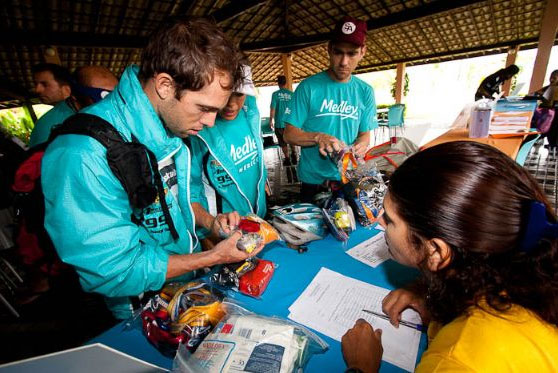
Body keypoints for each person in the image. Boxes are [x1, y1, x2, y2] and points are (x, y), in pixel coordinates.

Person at [41, 18, 262, 319]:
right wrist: (209, 257)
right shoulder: (82, 154)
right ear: (165, 86)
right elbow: (114, 269)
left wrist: (211, 223)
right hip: (137, 310)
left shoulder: (173, 125)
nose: (211, 122)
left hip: (183, 288)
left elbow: (181, 199)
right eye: (204, 108)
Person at [341, 141, 558, 372]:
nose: (380, 221)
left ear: (436, 251)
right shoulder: (529, 266)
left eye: (391, 220)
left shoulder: (455, 361)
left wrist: (361, 367)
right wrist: (427, 290)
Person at [284, 16, 377, 203]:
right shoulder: (308, 87)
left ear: (363, 52)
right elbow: (289, 134)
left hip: (348, 176)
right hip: (314, 180)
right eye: (338, 52)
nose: (344, 62)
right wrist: (318, 137)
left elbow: (365, 134)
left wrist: (361, 144)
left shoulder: (365, 91)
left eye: (352, 54)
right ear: (329, 49)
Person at [189, 63, 267, 244]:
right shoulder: (199, 129)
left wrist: (264, 184)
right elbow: (189, 194)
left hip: (259, 218)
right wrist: (210, 228)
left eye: (239, 94)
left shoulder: (251, 112)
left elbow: (257, 156)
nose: (231, 104)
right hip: (227, 231)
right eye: (225, 94)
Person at [29, 65, 118, 147]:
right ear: (75, 95)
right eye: (102, 97)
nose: (110, 105)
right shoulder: (47, 127)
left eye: (116, 97)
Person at [29, 63, 73, 147]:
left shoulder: (46, 122)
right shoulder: (86, 111)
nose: (37, 90)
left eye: (45, 84)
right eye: (36, 84)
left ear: (66, 89)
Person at [270, 75, 296, 165]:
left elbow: (272, 108)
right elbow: (295, 109)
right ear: (286, 83)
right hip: (290, 122)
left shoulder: (275, 94)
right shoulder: (292, 94)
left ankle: (287, 159)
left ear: (278, 83)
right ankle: (294, 154)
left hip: (279, 123)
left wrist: (270, 120)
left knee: (282, 142)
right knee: (292, 139)